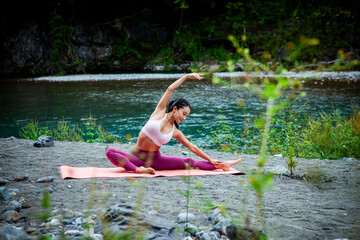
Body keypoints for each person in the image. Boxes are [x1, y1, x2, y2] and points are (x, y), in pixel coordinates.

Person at [106, 73, 241, 174]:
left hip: (156, 160)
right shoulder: (159, 112)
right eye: (184, 114)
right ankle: (138, 170)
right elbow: (170, 89)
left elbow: (192, 147)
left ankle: (223, 165)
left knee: (189, 162)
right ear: (175, 109)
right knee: (110, 151)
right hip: (136, 157)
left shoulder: (175, 131)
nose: (184, 118)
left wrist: (211, 159)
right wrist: (186, 76)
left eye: (187, 116)